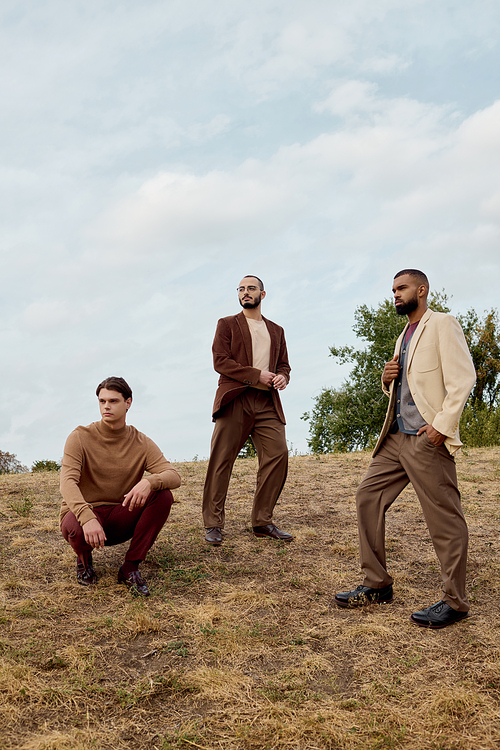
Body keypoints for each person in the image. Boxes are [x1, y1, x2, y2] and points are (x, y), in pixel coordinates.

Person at [335, 270, 476, 629]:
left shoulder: (443, 324)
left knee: (444, 518)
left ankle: (455, 602)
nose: (395, 295)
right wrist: (387, 381)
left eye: (402, 288)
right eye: (393, 290)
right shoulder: (403, 335)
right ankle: (377, 583)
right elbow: (409, 389)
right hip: (395, 437)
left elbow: (463, 379)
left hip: (426, 439)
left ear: (422, 290)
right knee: (367, 497)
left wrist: (440, 428)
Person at [59, 376, 181, 596]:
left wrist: (148, 481)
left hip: (120, 514)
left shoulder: (141, 441)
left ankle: (130, 567)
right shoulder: (79, 437)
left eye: (113, 401)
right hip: (85, 516)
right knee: (75, 529)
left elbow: (173, 475)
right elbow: (67, 482)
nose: (106, 406)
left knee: (163, 495)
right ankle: (84, 562)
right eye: (102, 401)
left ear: (128, 403)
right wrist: (87, 517)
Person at [202, 275, 292, 545]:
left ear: (262, 294)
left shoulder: (277, 330)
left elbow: (284, 365)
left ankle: (262, 521)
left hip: (267, 402)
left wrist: (282, 377)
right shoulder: (227, 324)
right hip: (236, 398)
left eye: (251, 288)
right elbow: (220, 361)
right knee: (221, 460)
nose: (245, 292)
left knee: (278, 455)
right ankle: (213, 524)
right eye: (241, 289)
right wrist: (256, 375)